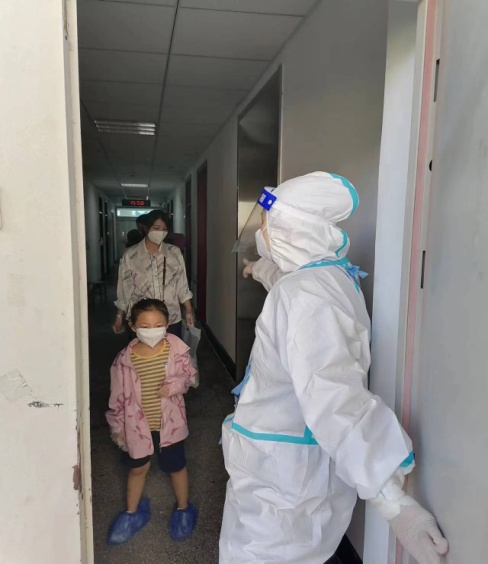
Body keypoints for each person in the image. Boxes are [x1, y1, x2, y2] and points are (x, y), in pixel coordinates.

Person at [220, 172, 448, 564]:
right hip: (288, 471)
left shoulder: (307, 296)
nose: (261, 232)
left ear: (290, 229)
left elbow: (334, 396)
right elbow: (283, 278)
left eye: (267, 223)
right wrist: (256, 269)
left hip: (283, 485)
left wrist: (393, 503)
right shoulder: (326, 276)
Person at [106, 298, 198, 544]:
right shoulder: (124, 360)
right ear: (133, 326)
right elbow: (116, 398)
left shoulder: (176, 349)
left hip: (170, 424)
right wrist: (117, 428)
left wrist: (174, 385)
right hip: (137, 427)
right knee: (138, 468)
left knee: (176, 466)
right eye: (145, 326)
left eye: (158, 325)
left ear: (167, 324)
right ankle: (131, 513)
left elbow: (190, 376)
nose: (152, 330)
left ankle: (183, 508)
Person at [112, 209, 194, 339]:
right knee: (141, 352)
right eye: (156, 228)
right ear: (146, 228)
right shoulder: (131, 255)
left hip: (170, 319)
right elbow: (124, 290)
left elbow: (182, 286)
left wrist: (189, 312)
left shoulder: (174, 252)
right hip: (141, 321)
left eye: (164, 229)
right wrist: (119, 317)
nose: (160, 232)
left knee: (170, 351)